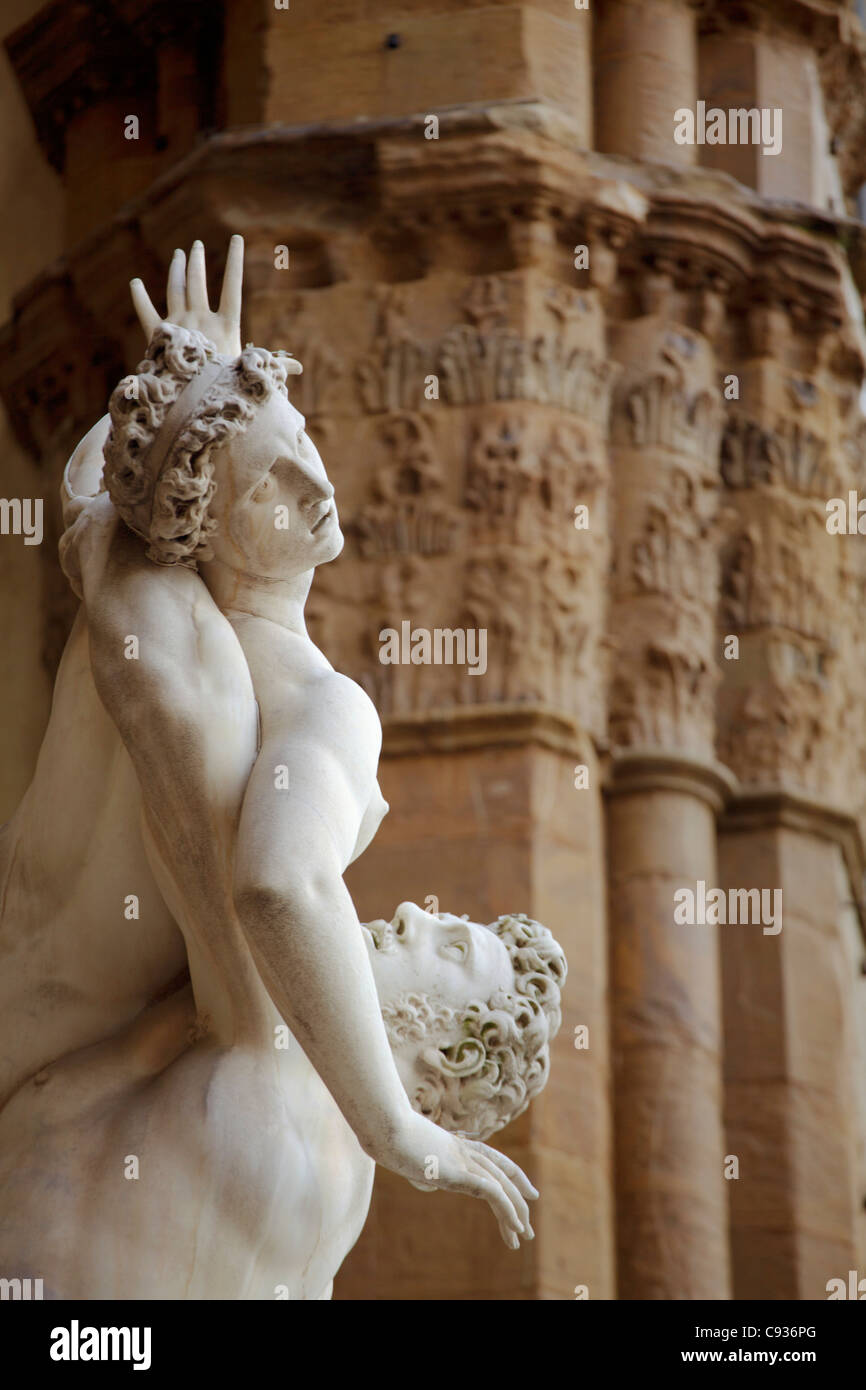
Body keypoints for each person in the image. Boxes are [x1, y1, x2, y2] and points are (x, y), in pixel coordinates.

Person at [0, 240, 552, 1299]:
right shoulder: (239, 676)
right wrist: (398, 1130)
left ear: (443, 1039)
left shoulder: (180, 626)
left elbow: (279, 883)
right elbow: (278, 883)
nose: (312, 485)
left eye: (304, 442)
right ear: (205, 518)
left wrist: (191, 390)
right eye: (276, 473)